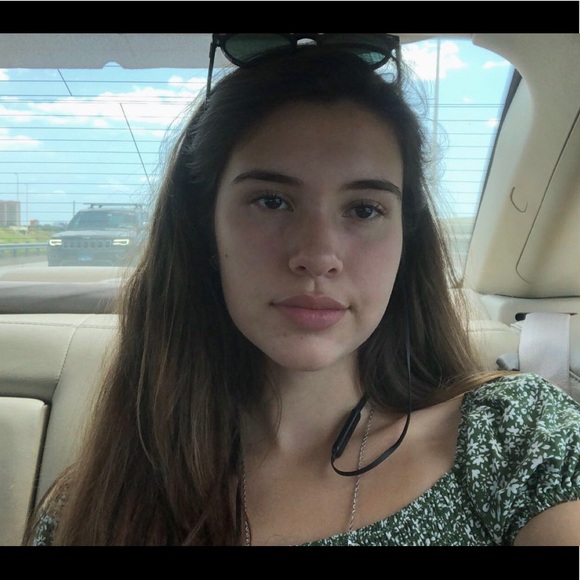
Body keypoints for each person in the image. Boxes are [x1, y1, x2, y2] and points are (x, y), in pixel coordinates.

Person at [24, 33, 580, 546]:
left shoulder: (516, 438)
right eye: (272, 201)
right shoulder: (92, 507)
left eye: (364, 209)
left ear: (405, 241)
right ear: (203, 227)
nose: (317, 255)